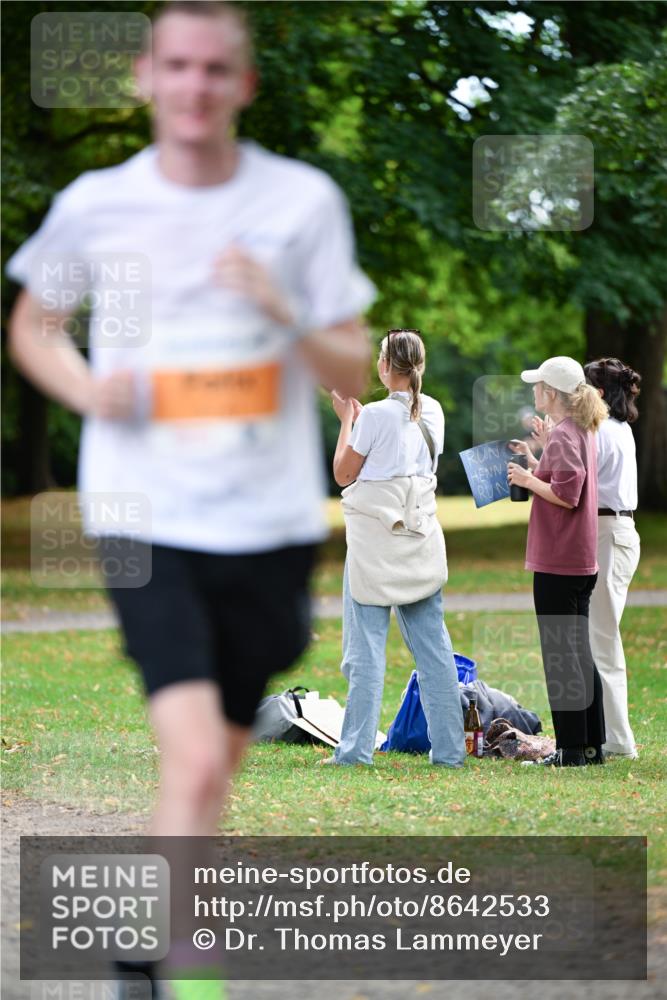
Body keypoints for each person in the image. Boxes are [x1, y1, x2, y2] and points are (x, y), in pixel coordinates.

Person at [6, 0, 374, 991]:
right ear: (145, 77)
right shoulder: (98, 203)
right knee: (198, 759)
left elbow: (350, 353)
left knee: (213, 763)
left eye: (216, 69)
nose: (195, 85)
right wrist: (89, 388)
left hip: (266, 522)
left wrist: (279, 304)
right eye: (177, 65)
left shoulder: (300, 202)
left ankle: (144, 940)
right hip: (144, 510)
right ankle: (179, 965)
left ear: (242, 85)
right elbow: (34, 326)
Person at [325, 329, 465, 768]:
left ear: (386, 367)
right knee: (434, 650)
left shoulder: (374, 417)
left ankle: (355, 752)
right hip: (419, 540)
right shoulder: (435, 413)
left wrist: (346, 419)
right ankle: (449, 752)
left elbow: (344, 474)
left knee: (365, 650)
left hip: (374, 546)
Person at [508, 356, 609, 768]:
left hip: (559, 563)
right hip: (579, 560)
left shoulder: (567, 434)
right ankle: (589, 746)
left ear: (551, 393)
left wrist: (530, 481)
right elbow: (567, 481)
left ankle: (568, 750)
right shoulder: (578, 430)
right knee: (579, 653)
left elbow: (567, 495)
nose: (533, 392)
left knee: (561, 656)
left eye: (537, 386)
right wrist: (537, 464)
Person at [584, 358, 642, 759]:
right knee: (601, 637)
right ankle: (608, 731)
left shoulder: (602, 431)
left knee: (603, 640)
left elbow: (580, 487)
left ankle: (618, 739)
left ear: (599, 393)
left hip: (610, 533)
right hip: (617, 532)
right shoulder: (620, 430)